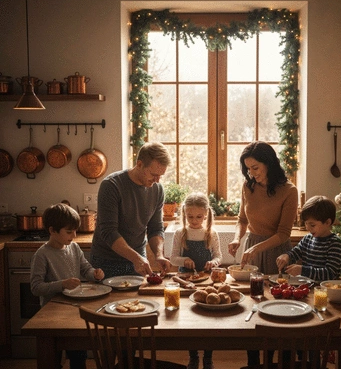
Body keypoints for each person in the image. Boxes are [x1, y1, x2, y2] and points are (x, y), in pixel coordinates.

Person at [227, 141, 298, 367]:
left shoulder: (289, 190)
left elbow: (283, 233)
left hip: (278, 253)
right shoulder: (248, 186)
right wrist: (238, 238)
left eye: (255, 167)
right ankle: (254, 363)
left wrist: (255, 247)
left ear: (269, 163)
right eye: (248, 168)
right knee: (252, 307)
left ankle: (284, 360)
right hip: (252, 249)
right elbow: (242, 220)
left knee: (281, 307)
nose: (251, 173)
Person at [30, 203, 105, 369]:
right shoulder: (42, 255)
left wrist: (94, 273)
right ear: (52, 231)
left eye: (75, 231)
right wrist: (62, 284)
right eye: (69, 232)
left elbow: (85, 268)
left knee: (78, 356)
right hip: (51, 314)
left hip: (73, 310)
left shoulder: (74, 247)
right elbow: (36, 287)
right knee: (52, 358)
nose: (74, 235)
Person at [90, 141, 173, 279]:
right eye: (153, 174)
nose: (157, 181)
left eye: (160, 176)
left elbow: (156, 228)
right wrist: (136, 258)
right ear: (139, 165)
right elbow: (109, 232)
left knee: (138, 301)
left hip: (139, 259)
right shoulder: (111, 185)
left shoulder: (157, 190)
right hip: (106, 262)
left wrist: (158, 255)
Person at [170, 192, 222, 369]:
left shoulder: (211, 233)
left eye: (199, 216)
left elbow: (218, 256)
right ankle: (193, 356)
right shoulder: (180, 233)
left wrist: (213, 262)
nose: (194, 220)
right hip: (185, 281)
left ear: (206, 214)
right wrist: (183, 261)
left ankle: (208, 357)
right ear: (184, 214)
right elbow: (172, 259)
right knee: (188, 320)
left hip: (207, 281)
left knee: (209, 320)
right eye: (190, 216)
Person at [276, 195, 341, 281]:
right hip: (307, 287)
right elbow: (296, 252)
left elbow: (330, 273)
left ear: (327, 222)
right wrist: (287, 256)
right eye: (306, 223)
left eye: (312, 225)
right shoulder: (308, 238)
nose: (308, 228)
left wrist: (302, 270)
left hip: (327, 290)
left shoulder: (334, 243)